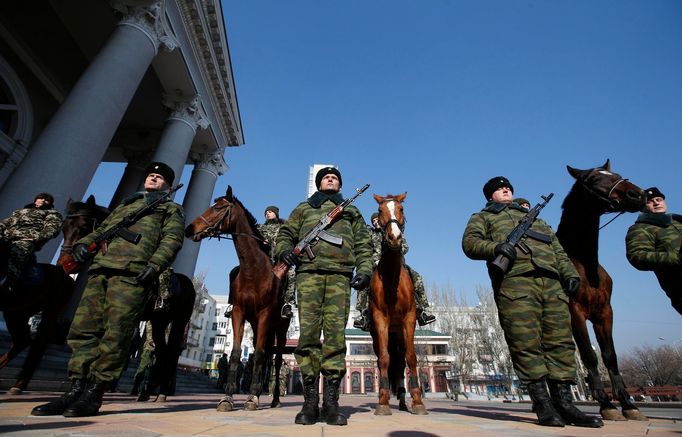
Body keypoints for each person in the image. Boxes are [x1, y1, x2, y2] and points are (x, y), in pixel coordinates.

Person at [31, 162, 185, 418]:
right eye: (151, 174)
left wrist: (156, 264)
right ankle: (75, 389)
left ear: (168, 184)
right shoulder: (127, 204)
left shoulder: (170, 208)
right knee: (83, 330)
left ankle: (94, 393)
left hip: (132, 273)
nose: (153, 177)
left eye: (159, 176)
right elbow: (102, 230)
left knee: (116, 332)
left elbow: (172, 239)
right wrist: (83, 244)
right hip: (101, 269)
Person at [462, 176, 603, 428]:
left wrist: (570, 274)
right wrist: (496, 248)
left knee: (560, 343)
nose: (505, 190)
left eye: (507, 187)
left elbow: (558, 250)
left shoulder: (537, 220)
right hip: (516, 286)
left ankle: (566, 405)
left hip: (552, 286)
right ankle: (542, 404)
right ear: (490, 196)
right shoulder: (483, 218)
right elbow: (470, 244)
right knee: (525, 343)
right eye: (498, 189)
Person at [276, 166, 372, 426]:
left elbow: (364, 242)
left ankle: (331, 402)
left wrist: (364, 270)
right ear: (319, 184)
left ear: (340, 185)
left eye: (335, 178)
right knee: (307, 336)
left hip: (340, 277)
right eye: (326, 177)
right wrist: (284, 250)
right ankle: (309, 403)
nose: (331, 179)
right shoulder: (304, 208)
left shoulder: (351, 210)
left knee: (334, 337)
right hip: (308, 276)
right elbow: (285, 233)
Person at [353, 212, 436, 330]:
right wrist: (374, 260)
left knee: (416, 277)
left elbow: (405, 246)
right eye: (373, 221)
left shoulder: (391, 230)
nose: (375, 222)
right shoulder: (369, 234)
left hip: (395, 263)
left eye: (377, 220)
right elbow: (365, 249)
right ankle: (363, 314)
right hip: (375, 266)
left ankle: (422, 310)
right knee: (364, 282)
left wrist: (396, 250)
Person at [224, 205, 296, 318]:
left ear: (276, 214)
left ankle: (288, 303)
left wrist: (277, 243)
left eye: (270, 211)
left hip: (277, 260)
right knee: (234, 272)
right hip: (260, 262)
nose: (267, 213)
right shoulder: (258, 227)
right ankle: (233, 304)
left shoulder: (283, 227)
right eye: (266, 212)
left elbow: (288, 240)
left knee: (291, 273)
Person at [625, 187, 682, 315]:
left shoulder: (679, 222)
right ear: (642, 207)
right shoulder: (641, 228)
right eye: (650, 201)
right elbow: (637, 256)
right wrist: (677, 258)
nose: (656, 203)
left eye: (659, 199)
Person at [0, 192, 63, 292]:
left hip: (26, 239)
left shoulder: (52, 213)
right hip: (7, 237)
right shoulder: (20, 211)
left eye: (46, 200)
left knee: (19, 251)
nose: (43, 200)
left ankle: (8, 284)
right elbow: (6, 222)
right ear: (36, 200)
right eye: (41, 198)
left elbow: (53, 229)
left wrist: (35, 237)